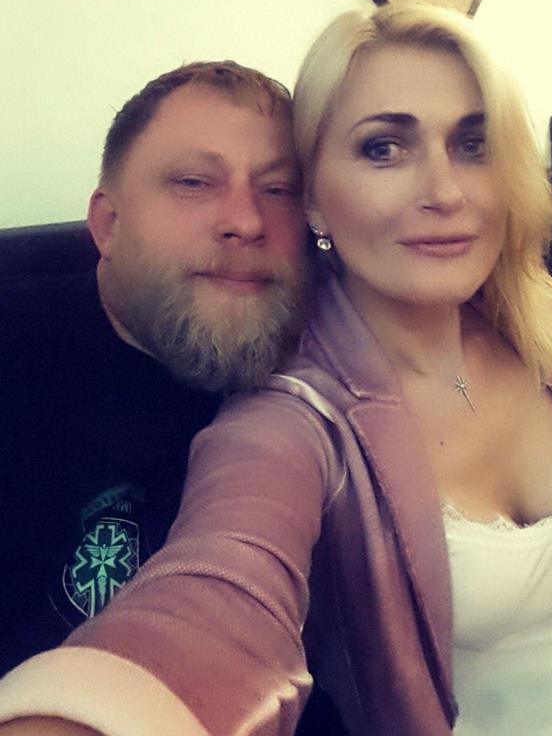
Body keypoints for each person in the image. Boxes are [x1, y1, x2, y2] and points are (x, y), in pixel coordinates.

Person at [1, 4, 552, 736]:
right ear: (319, 201)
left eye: (473, 144)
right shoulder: (287, 417)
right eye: (383, 148)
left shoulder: (538, 328)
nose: (446, 191)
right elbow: (220, 595)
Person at [0, 60, 344, 732]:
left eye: (278, 189)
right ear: (108, 224)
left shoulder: (334, 363)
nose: (246, 220)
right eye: (193, 182)